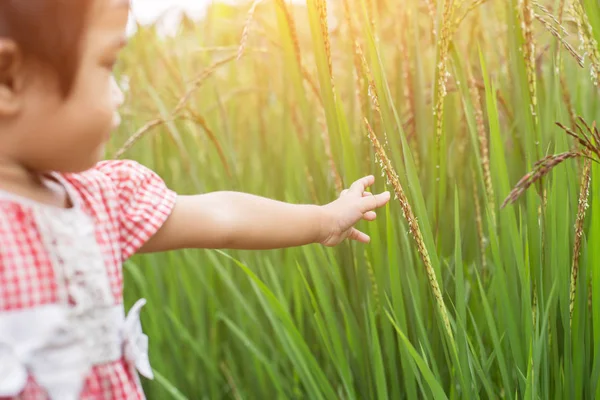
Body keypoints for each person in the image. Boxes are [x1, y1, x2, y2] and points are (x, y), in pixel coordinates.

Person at [0, 0, 391, 399]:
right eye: (107, 65)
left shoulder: (103, 200)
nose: (119, 95)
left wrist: (325, 219)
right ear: (9, 79)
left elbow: (223, 217)